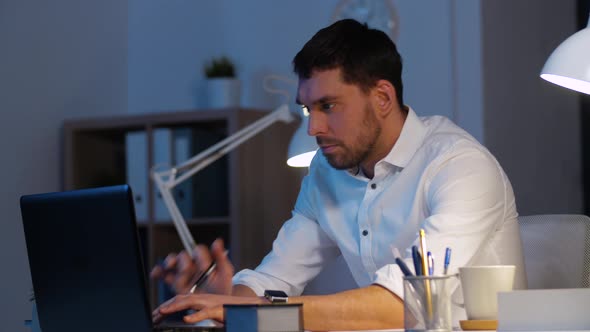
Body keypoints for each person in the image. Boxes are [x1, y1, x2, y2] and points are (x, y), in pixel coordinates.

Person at [151, 19, 526, 331]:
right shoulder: (326, 174)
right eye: (307, 109)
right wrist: (227, 296)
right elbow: (276, 277)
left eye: (328, 106)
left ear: (382, 98)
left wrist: (246, 311)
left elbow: (406, 303)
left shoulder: (460, 167)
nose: (313, 127)